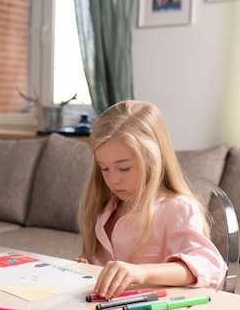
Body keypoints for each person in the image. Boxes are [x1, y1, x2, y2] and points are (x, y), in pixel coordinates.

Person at [76, 100, 227, 299]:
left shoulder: (176, 209)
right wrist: (88, 272)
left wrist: (141, 271)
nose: (113, 179)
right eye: (104, 168)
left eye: (124, 168)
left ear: (153, 160)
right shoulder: (105, 207)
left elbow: (211, 266)